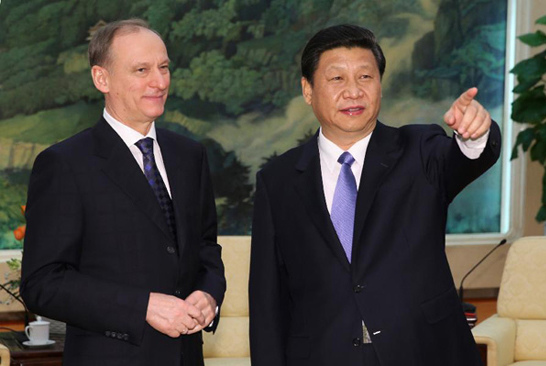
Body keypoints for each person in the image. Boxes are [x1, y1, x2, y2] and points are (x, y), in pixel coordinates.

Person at [249, 24, 500, 366]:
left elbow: (465, 158)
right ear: (308, 90)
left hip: (422, 351)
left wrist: (474, 135)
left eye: (365, 77)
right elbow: (267, 299)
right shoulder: (277, 180)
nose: (353, 92)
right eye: (337, 79)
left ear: (380, 85)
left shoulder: (420, 151)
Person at [20, 19, 225, 366]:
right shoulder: (64, 163)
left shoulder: (190, 156)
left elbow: (206, 248)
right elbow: (42, 283)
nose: (159, 82)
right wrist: (143, 306)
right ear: (102, 78)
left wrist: (209, 294)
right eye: (141, 70)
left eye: (163, 68)